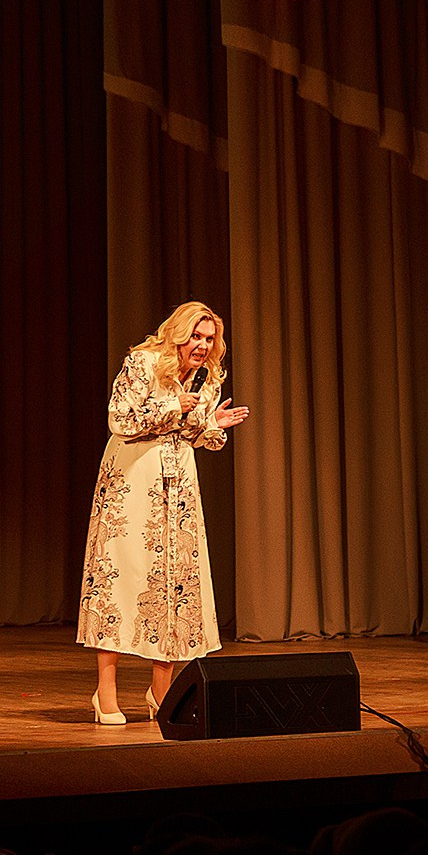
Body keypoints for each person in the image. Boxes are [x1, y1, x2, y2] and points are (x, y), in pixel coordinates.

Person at [78, 300, 250, 725]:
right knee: (121, 577)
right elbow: (120, 419)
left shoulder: (208, 375)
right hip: (133, 479)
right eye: (196, 336)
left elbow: (192, 434)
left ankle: (161, 692)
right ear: (178, 332)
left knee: (174, 581)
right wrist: (177, 409)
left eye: (209, 339)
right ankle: (106, 692)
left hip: (177, 487)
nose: (203, 345)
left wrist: (212, 424)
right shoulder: (143, 361)